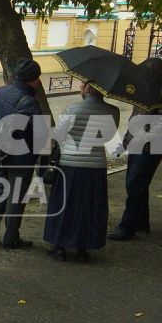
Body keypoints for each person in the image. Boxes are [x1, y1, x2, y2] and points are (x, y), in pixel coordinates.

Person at [43, 81, 117, 261]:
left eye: (82, 85)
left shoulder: (72, 109)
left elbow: (59, 135)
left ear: (88, 89)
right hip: (95, 166)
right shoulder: (113, 111)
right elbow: (109, 137)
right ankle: (83, 248)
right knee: (89, 207)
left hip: (70, 164)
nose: (79, 88)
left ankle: (59, 246)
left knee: (64, 205)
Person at [108, 57, 162, 240]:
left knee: (135, 185)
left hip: (150, 148)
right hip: (137, 145)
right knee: (137, 186)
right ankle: (141, 223)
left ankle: (127, 227)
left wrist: (145, 135)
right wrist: (125, 142)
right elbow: (135, 119)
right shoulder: (145, 92)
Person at [0, 60, 51, 249]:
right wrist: (43, 163)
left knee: (1, 190)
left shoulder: (1, 92)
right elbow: (40, 134)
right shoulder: (29, 101)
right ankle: (11, 238)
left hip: (0, 153)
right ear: (34, 80)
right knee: (16, 196)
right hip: (21, 156)